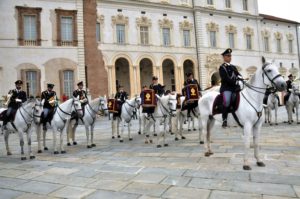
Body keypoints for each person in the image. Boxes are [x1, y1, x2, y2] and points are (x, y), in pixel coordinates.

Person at [219, 48, 242, 128]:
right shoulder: (222, 67)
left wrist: (241, 78)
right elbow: (225, 78)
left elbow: (238, 74)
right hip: (226, 88)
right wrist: (234, 82)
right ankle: (224, 119)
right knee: (227, 101)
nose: (230, 57)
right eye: (228, 56)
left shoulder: (233, 67)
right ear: (224, 57)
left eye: (230, 56)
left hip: (235, 88)